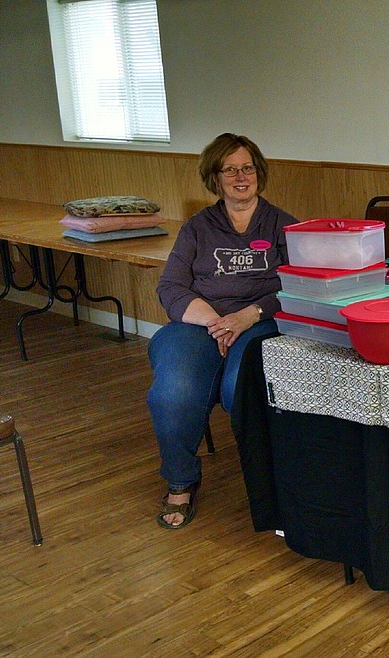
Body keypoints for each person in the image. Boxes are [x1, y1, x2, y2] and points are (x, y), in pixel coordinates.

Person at [147, 133, 298, 529]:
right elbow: (171, 286)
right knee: (173, 391)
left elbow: (298, 285)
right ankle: (180, 481)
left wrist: (248, 316)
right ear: (215, 178)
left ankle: (268, 491)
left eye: (247, 168)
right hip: (201, 323)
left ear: (259, 173)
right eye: (229, 169)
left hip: (260, 323)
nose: (240, 176)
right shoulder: (197, 228)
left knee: (239, 391)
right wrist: (214, 321)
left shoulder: (285, 226)